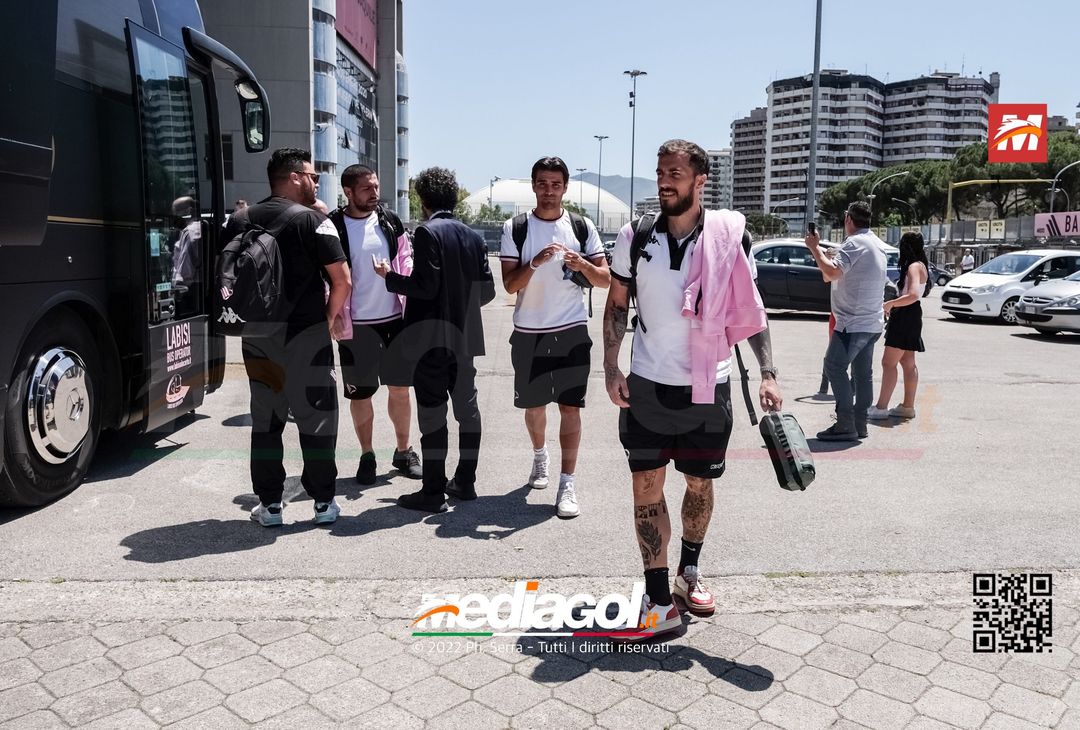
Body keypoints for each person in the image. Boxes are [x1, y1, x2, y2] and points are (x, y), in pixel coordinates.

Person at [604, 140, 782, 638]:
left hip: (710, 389)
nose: (664, 181)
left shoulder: (730, 238)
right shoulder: (634, 236)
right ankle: (657, 595)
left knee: (699, 485)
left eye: (675, 173)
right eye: (660, 171)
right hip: (647, 386)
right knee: (646, 486)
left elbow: (751, 311)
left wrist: (768, 371)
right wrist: (610, 366)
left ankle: (689, 571)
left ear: (699, 181)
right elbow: (617, 305)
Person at [224, 148, 352, 526]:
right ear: (294, 176)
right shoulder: (315, 221)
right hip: (307, 335)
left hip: (258, 336)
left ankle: (271, 506)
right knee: (317, 418)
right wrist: (328, 320)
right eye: (312, 175)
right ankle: (324, 503)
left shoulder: (240, 219)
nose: (315, 182)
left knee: (266, 421)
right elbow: (342, 280)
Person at [374, 167, 496, 512]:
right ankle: (465, 481)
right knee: (468, 412)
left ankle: (432, 491)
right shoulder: (473, 237)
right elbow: (486, 291)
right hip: (466, 339)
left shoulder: (427, 233)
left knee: (433, 414)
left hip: (430, 339)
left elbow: (426, 287)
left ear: (423, 199)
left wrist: (390, 277)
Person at [499, 156, 610, 519]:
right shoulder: (516, 227)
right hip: (529, 332)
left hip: (572, 331)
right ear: (533, 186)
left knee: (570, 407)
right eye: (543, 183)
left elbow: (605, 279)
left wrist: (583, 265)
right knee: (534, 408)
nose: (549, 191)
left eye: (556, 184)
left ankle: (568, 482)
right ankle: (539, 457)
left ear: (565, 187)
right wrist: (535, 262)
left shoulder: (581, 226)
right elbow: (510, 285)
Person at [329, 165, 423, 485]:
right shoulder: (334, 225)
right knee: (361, 395)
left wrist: (408, 293)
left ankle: (403, 451)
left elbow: (406, 261)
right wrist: (332, 314)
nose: (374, 193)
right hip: (356, 327)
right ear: (349, 192)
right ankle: (367, 455)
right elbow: (326, 276)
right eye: (367, 188)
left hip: (394, 320)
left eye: (376, 186)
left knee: (400, 389)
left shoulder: (389, 221)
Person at [805, 201, 887, 441]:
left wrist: (814, 248)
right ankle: (860, 424)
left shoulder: (854, 243)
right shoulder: (874, 243)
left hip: (852, 323)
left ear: (849, 219)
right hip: (871, 322)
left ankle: (845, 423)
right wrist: (827, 255)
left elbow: (830, 274)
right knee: (863, 375)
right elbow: (831, 274)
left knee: (834, 367)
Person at [868, 232, 928, 421]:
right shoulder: (921, 265)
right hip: (912, 315)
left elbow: (912, 295)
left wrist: (890, 304)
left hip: (906, 316)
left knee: (888, 363)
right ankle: (907, 406)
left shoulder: (913, 267)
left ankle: (881, 407)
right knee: (907, 362)